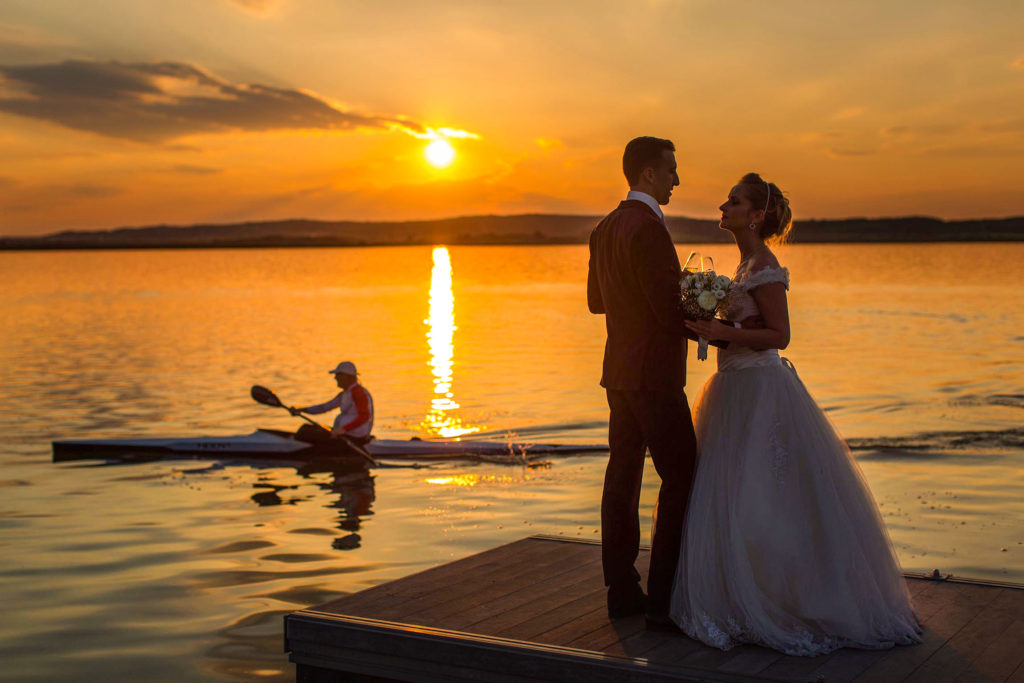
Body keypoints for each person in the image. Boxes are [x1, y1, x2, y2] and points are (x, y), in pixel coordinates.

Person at [670, 174, 922, 655]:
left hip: (761, 389)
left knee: (766, 492)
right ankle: (743, 595)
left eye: (734, 201)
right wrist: (707, 329)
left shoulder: (765, 266)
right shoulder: (742, 266)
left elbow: (780, 336)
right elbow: (746, 328)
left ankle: (786, 598)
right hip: (734, 387)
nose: (723, 206)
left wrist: (718, 328)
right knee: (735, 492)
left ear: (756, 216)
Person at [587, 137, 750, 627]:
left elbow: (598, 301)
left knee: (622, 477)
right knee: (681, 477)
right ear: (649, 174)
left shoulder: (605, 227)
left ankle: (621, 591)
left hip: (618, 373)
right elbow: (663, 309)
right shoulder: (649, 229)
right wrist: (717, 331)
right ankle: (663, 600)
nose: (677, 179)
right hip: (654, 377)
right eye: (672, 170)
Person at [293, 361, 374, 445]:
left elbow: (364, 416)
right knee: (306, 428)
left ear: (346, 376)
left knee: (306, 432)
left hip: (354, 437)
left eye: (338, 375)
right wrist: (302, 410)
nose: (335, 378)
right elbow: (324, 407)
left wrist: (343, 429)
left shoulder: (358, 393)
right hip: (343, 433)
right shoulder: (345, 394)